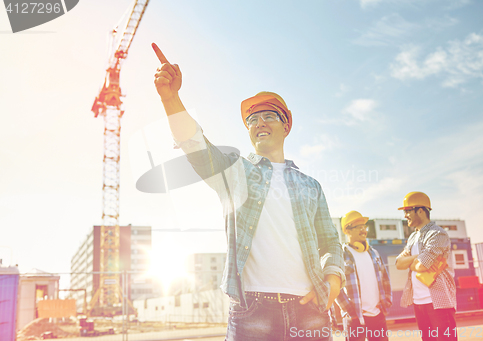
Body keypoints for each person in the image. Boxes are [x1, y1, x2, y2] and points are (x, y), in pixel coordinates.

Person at [152, 43, 345, 341]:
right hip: (252, 311)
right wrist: (172, 99)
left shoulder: (311, 186)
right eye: (252, 120)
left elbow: (331, 241)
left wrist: (333, 278)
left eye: (268, 116)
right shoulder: (235, 172)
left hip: (310, 312)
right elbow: (195, 144)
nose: (259, 123)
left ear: (286, 125)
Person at [395, 192, 457, 341]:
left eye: (408, 210)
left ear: (421, 210)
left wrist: (414, 261)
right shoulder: (412, 237)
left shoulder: (437, 234)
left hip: (438, 302)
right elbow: (398, 263)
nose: (405, 215)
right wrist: (418, 257)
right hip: (419, 303)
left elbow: (422, 265)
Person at [335, 211, 392, 341]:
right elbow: (336, 286)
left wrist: (386, 302)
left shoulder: (374, 253)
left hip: (377, 315)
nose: (363, 230)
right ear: (347, 230)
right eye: (358, 227)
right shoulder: (341, 255)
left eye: (364, 226)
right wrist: (350, 310)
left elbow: (385, 280)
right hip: (354, 318)